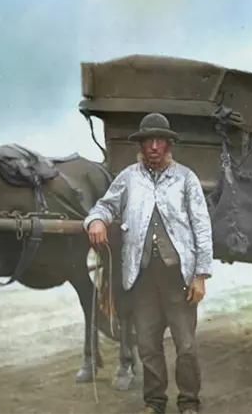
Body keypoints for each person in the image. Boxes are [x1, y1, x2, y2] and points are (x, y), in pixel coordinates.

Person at [83, 112, 213, 414]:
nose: (154, 146)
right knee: (148, 346)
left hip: (177, 280)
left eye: (159, 141)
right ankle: (155, 403)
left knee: (186, 347)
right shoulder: (129, 178)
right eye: (148, 141)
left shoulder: (185, 179)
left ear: (168, 144)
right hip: (141, 279)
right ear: (141, 145)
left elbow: (202, 227)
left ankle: (189, 403)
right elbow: (104, 204)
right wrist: (97, 220)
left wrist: (201, 275)